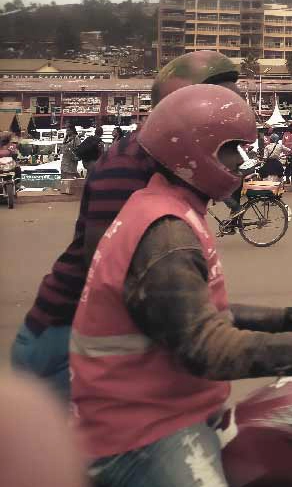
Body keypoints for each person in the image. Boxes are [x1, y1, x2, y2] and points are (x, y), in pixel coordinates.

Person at [69, 83, 292, 487]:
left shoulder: (166, 207)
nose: (240, 161)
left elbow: (198, 316)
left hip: (155, 406)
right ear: (193, 152)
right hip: (141, 430)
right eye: (230, 149)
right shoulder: (166, 233)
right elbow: (207, 347)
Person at [10, 51, 243, 402]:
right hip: (64, 341)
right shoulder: (129, 165)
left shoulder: (177, 165)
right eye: (219, 102)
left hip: (115, 341)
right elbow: (107, 275)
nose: (232, 112)